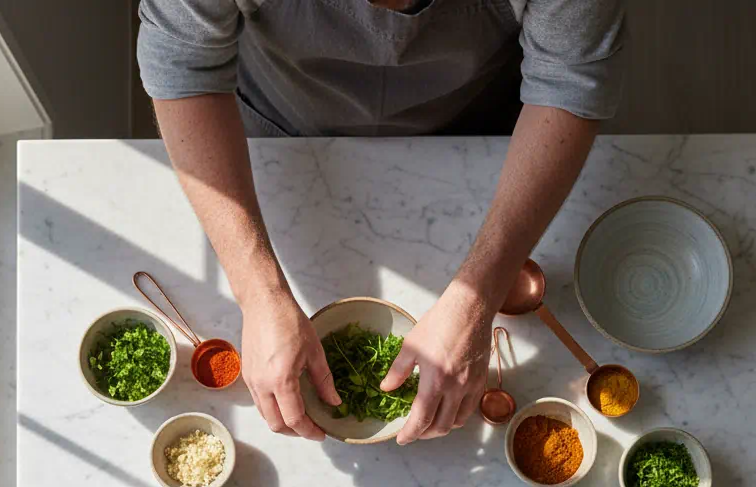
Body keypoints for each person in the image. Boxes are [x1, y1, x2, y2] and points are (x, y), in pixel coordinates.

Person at [137, 0, 625, 444]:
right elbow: (183, 66)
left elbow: (568, 80)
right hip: (279, 131)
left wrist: (478, 298)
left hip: (474, 135)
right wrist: (258, 292)